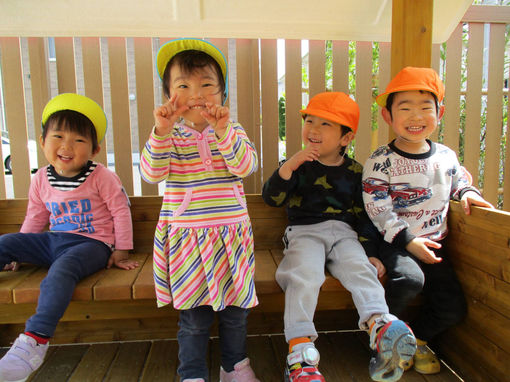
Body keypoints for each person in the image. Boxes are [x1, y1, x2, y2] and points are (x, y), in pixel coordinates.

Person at [262, 91, 416, 382]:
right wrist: (289, 165)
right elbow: (272, 199)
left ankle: (379, 324)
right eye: (310, 121)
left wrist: (370, 251)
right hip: (305, 233)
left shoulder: (356, 171)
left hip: (345, 235)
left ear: (346, 138)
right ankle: (300, 352)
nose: (313, 129)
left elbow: (364, 215)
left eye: (326, 124)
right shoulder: (299, 165)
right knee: (303, 274)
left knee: (360, 267)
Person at [140, 38, 260, 382]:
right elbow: (151, 173)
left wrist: (223, 130)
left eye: (207, 85)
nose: (197, 94)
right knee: (193, 317)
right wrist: (161, 131)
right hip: (186, 240)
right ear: (169, 97)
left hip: (232, 238)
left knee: (236, 312)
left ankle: (234, 367)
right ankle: (191, 373)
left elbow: (246, 166)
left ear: (223, 95)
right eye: (184, 86)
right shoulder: (169, 135)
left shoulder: (232, 131)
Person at [362, 67, 494, 375]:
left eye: (425, 108)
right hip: (396, 243)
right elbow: (377, 207)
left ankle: (416, 338)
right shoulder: (381, 160)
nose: (415, 116)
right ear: (388, 116)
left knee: (453, 308)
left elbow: (459, 179)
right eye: (404, 108)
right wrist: (409, 241)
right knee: (409, 280)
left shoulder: (445, 156)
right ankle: (380, 338)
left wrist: (468, 193)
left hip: (436, 245)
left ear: (440, 112)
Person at [0, 93, 139, 382]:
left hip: (92, 244)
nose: (66, 146)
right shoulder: (41, 178)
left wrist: (121, 250)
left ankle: (34, 341)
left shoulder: (101, 176)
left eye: (78, 140)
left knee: (60, 272)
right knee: (5, 243)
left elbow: (120, 211)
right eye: (58, 136)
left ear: (95, 148)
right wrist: (19, 253)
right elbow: (36, 216)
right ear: (42, 142)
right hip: (52, 241)